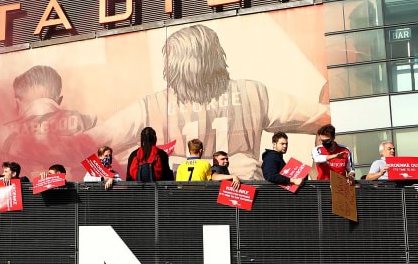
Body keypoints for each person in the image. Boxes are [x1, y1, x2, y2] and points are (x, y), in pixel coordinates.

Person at [93, 24, 329, 179]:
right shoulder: (253, 92)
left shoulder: (149, 106)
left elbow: (89, 142)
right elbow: (323, 118)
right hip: (244, 196)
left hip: (180, 201)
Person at [0, 65, 97, 178]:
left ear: (17, 102)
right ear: (59, 99)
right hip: (75, 201)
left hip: (17, 202)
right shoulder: (88, 122)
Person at [176, 139, 241, 188]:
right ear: (201, 151)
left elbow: (179, 185)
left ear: (189, 151)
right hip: (199, 196)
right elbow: (211, 179)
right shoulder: (205, 164)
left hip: (184, 197)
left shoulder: (181, 166)